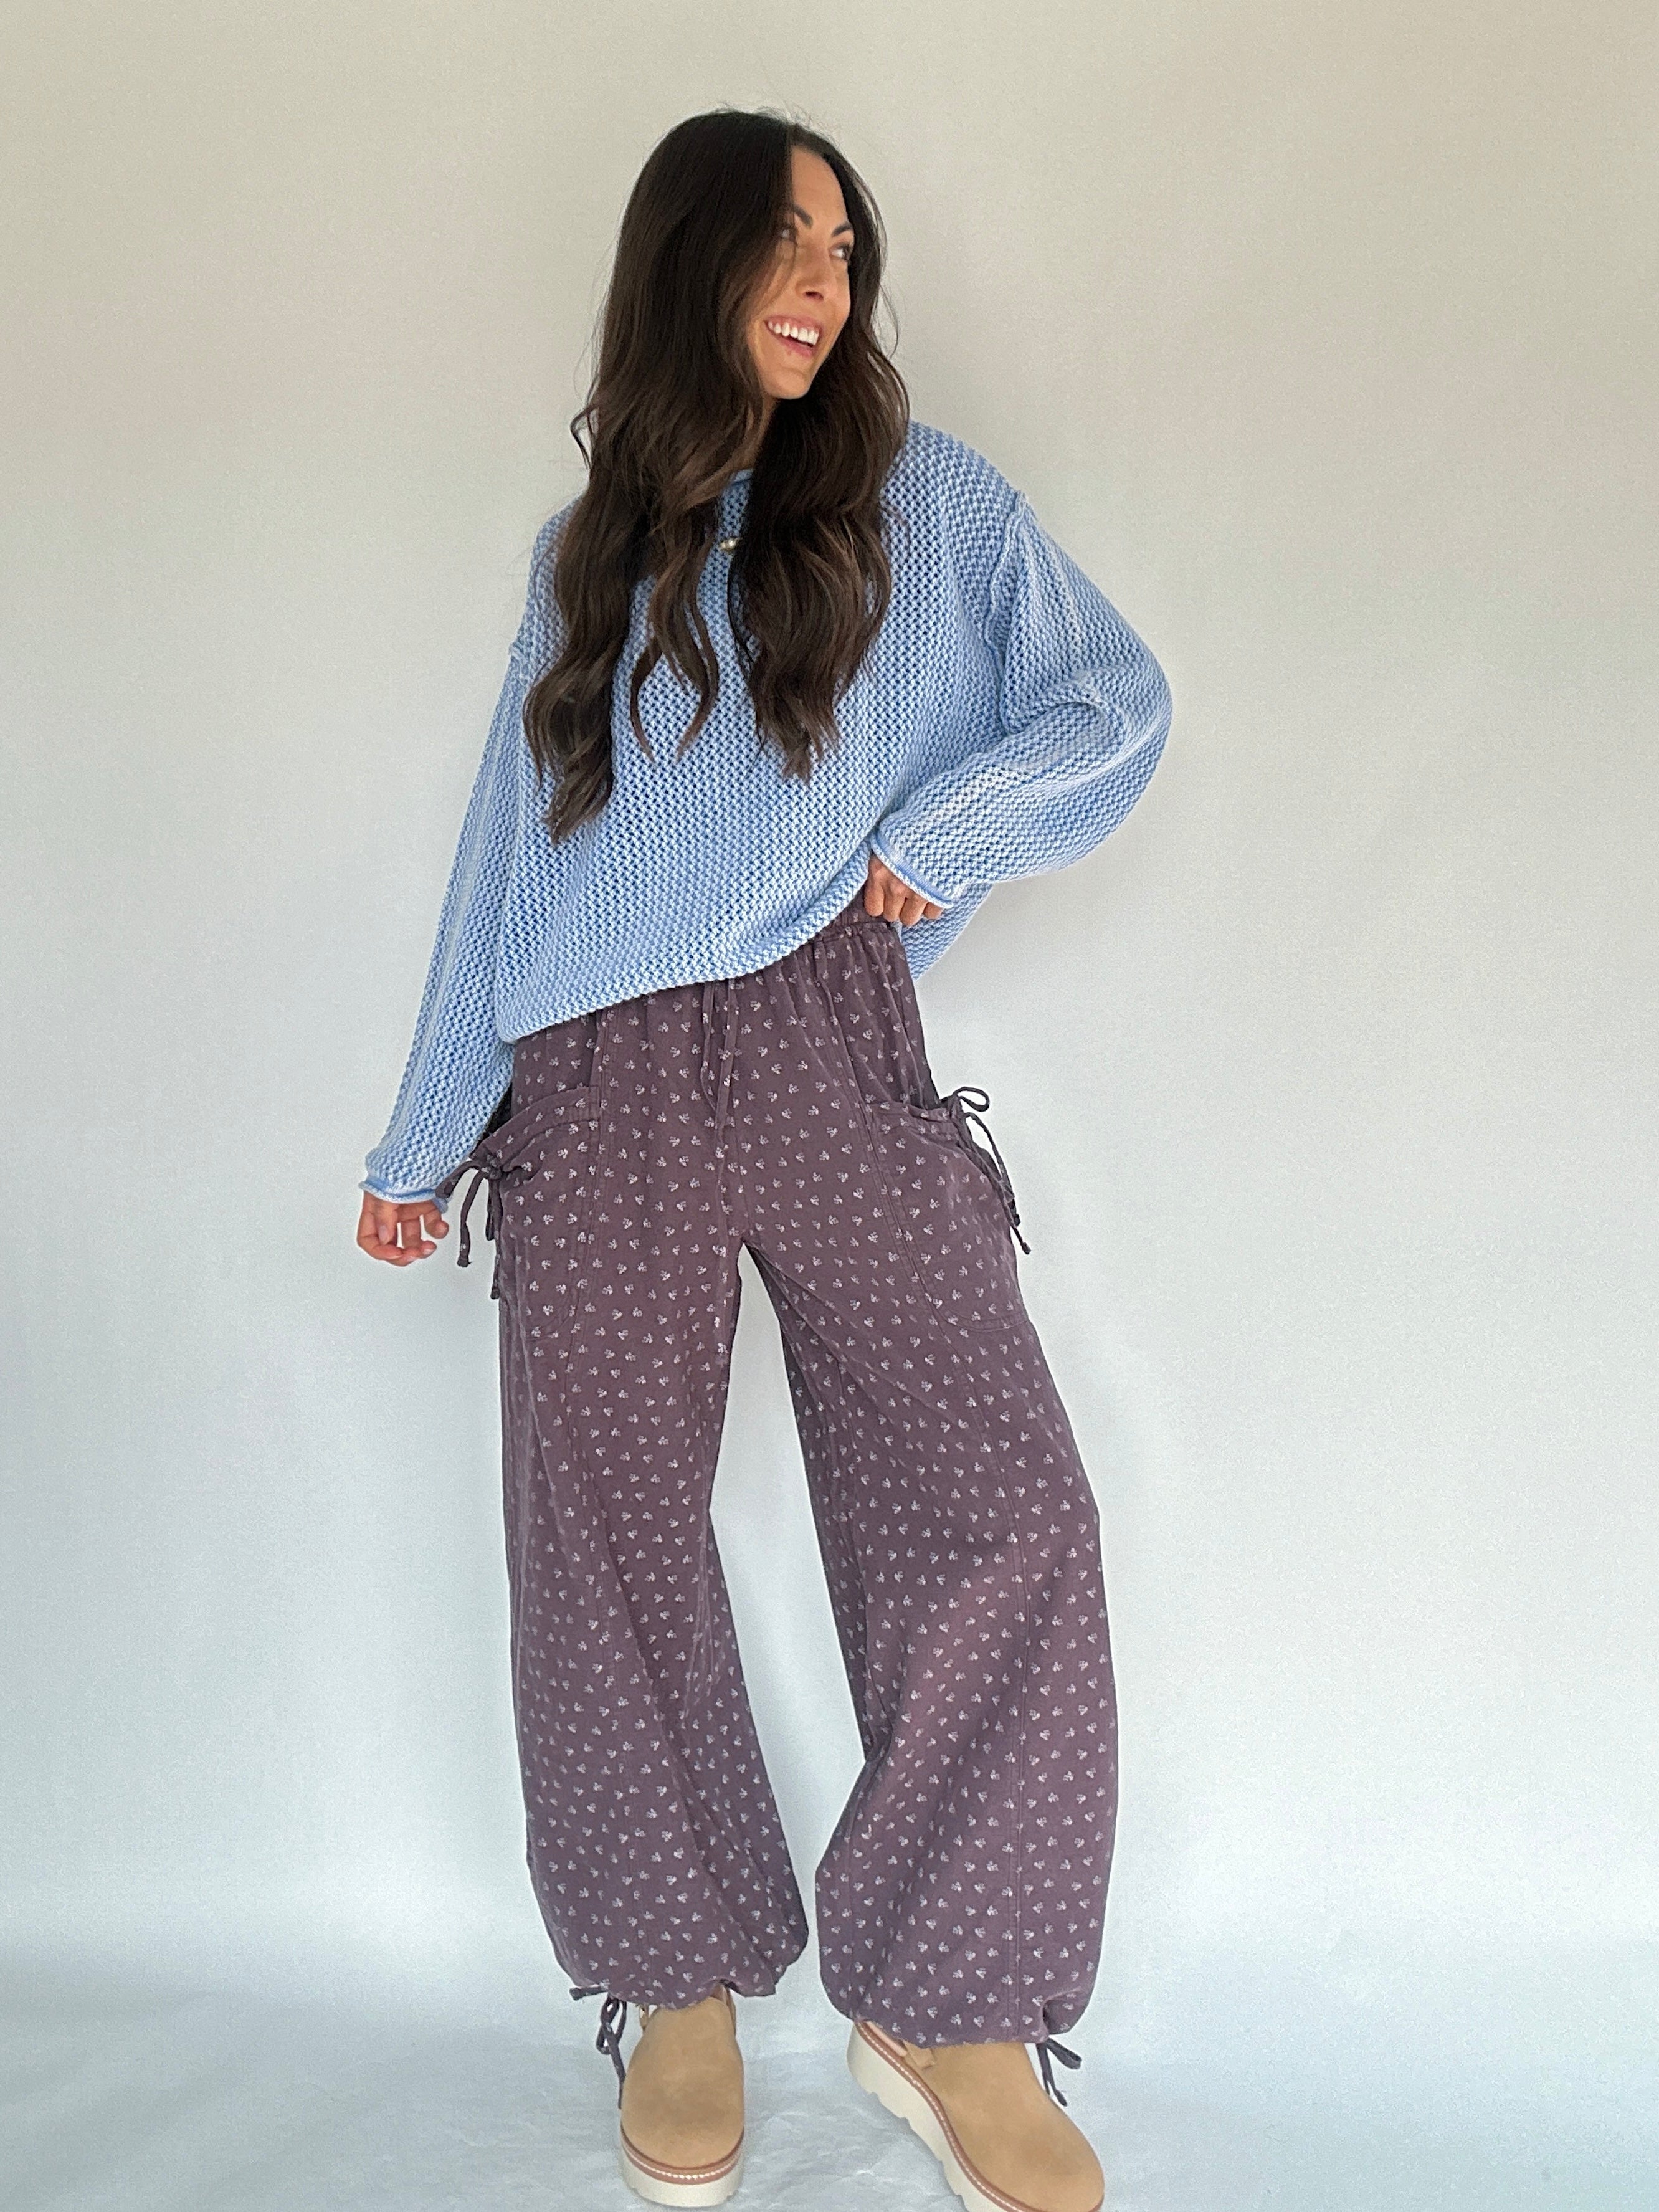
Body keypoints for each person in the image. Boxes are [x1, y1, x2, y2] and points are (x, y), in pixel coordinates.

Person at [356, 105, 1170, 2212]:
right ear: (684, 262)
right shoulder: (590, 551)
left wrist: (938, 840)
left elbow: (1114, 707)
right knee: (603, 1523)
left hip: (829, 1039)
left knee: (999, 1498)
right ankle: (680, 1977)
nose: (822, 276)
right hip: (597, 1082)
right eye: (780, 237)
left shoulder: (921, 503)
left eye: (844, 242)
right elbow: (497, 870)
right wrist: (428, 1130)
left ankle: (954, 2003)